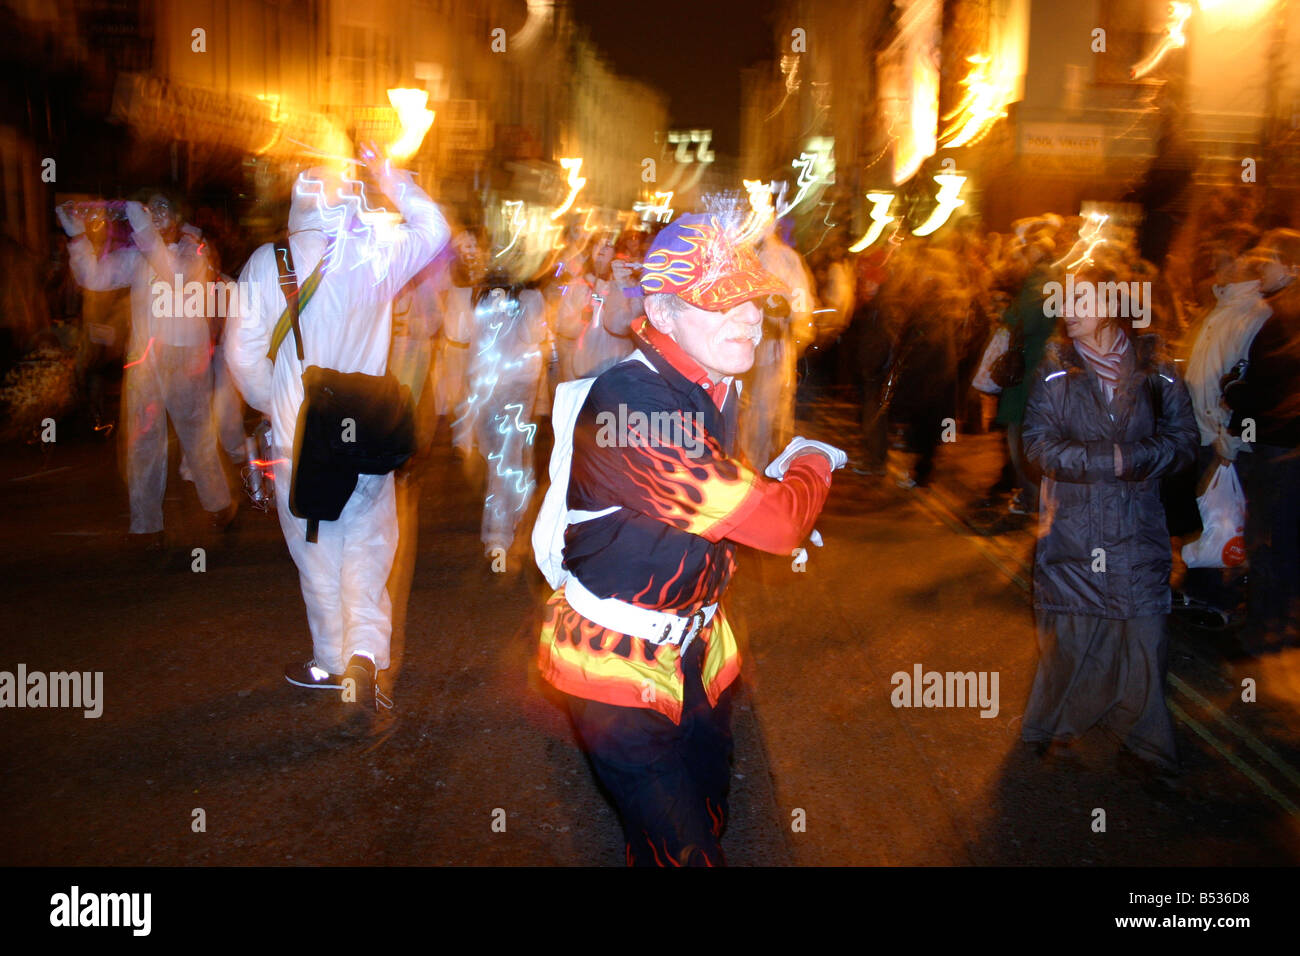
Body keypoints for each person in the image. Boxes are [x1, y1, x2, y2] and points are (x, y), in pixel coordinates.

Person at [534, 214, 844, 865]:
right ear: (663, 314)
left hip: (698, 655)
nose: (749, 319)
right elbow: (780, 524)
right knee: (686, 852)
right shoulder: (632, 407)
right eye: (719, 302)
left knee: (706, 816)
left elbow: (714, 501)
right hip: (617, 673)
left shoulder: (710, 382)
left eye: (753, 299)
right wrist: (813, 461)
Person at [224, 157, 448, 720]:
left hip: (295, 431)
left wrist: (275, 401)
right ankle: (364, 659)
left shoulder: (263, 263)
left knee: (314, 545)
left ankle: (328, 659)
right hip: (363, 425)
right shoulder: (374, 254)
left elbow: (243, 357)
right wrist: (394, 176)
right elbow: (436, 231)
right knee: (369, 545)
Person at [1020, 260, 1198, 783]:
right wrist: (1108, 461)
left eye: (1081, 301)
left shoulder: (1157, 364)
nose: (1067, 312)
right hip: (1074, 527)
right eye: (1064, 301)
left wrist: (1134, 459)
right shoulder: (1055, 367)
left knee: (1145, 635)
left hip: (1138, 528)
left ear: (1113, 305)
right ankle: (1060, 723)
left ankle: (1148, 747)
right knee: (1075, 633)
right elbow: (1037, 446)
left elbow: (1185, 441)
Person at [58, 193, 235, 545]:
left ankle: (218, 504)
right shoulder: (141, 253)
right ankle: (146, 526)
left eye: (161, 210)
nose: (154, 216)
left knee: (197, 438)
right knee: (142, 445)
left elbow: (175, 279)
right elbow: (94, 277)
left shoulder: (194, 250)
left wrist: (142, 231)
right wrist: (77, 237)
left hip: (185, 360)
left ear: (176, 217)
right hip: (144, 361)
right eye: (149, 211)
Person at [1222, 229, 1300, 654]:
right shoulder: (1281, 311)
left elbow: (1265, 386)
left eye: (1270, 258)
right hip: (1285, 443)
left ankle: (1263, 632)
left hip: (1277, 445)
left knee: (1267, 540)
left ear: (1292, 267)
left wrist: (1232, 390)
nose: (1259, 264)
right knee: (1284, 539)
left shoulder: (1283, 316)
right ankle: (1281, 624)